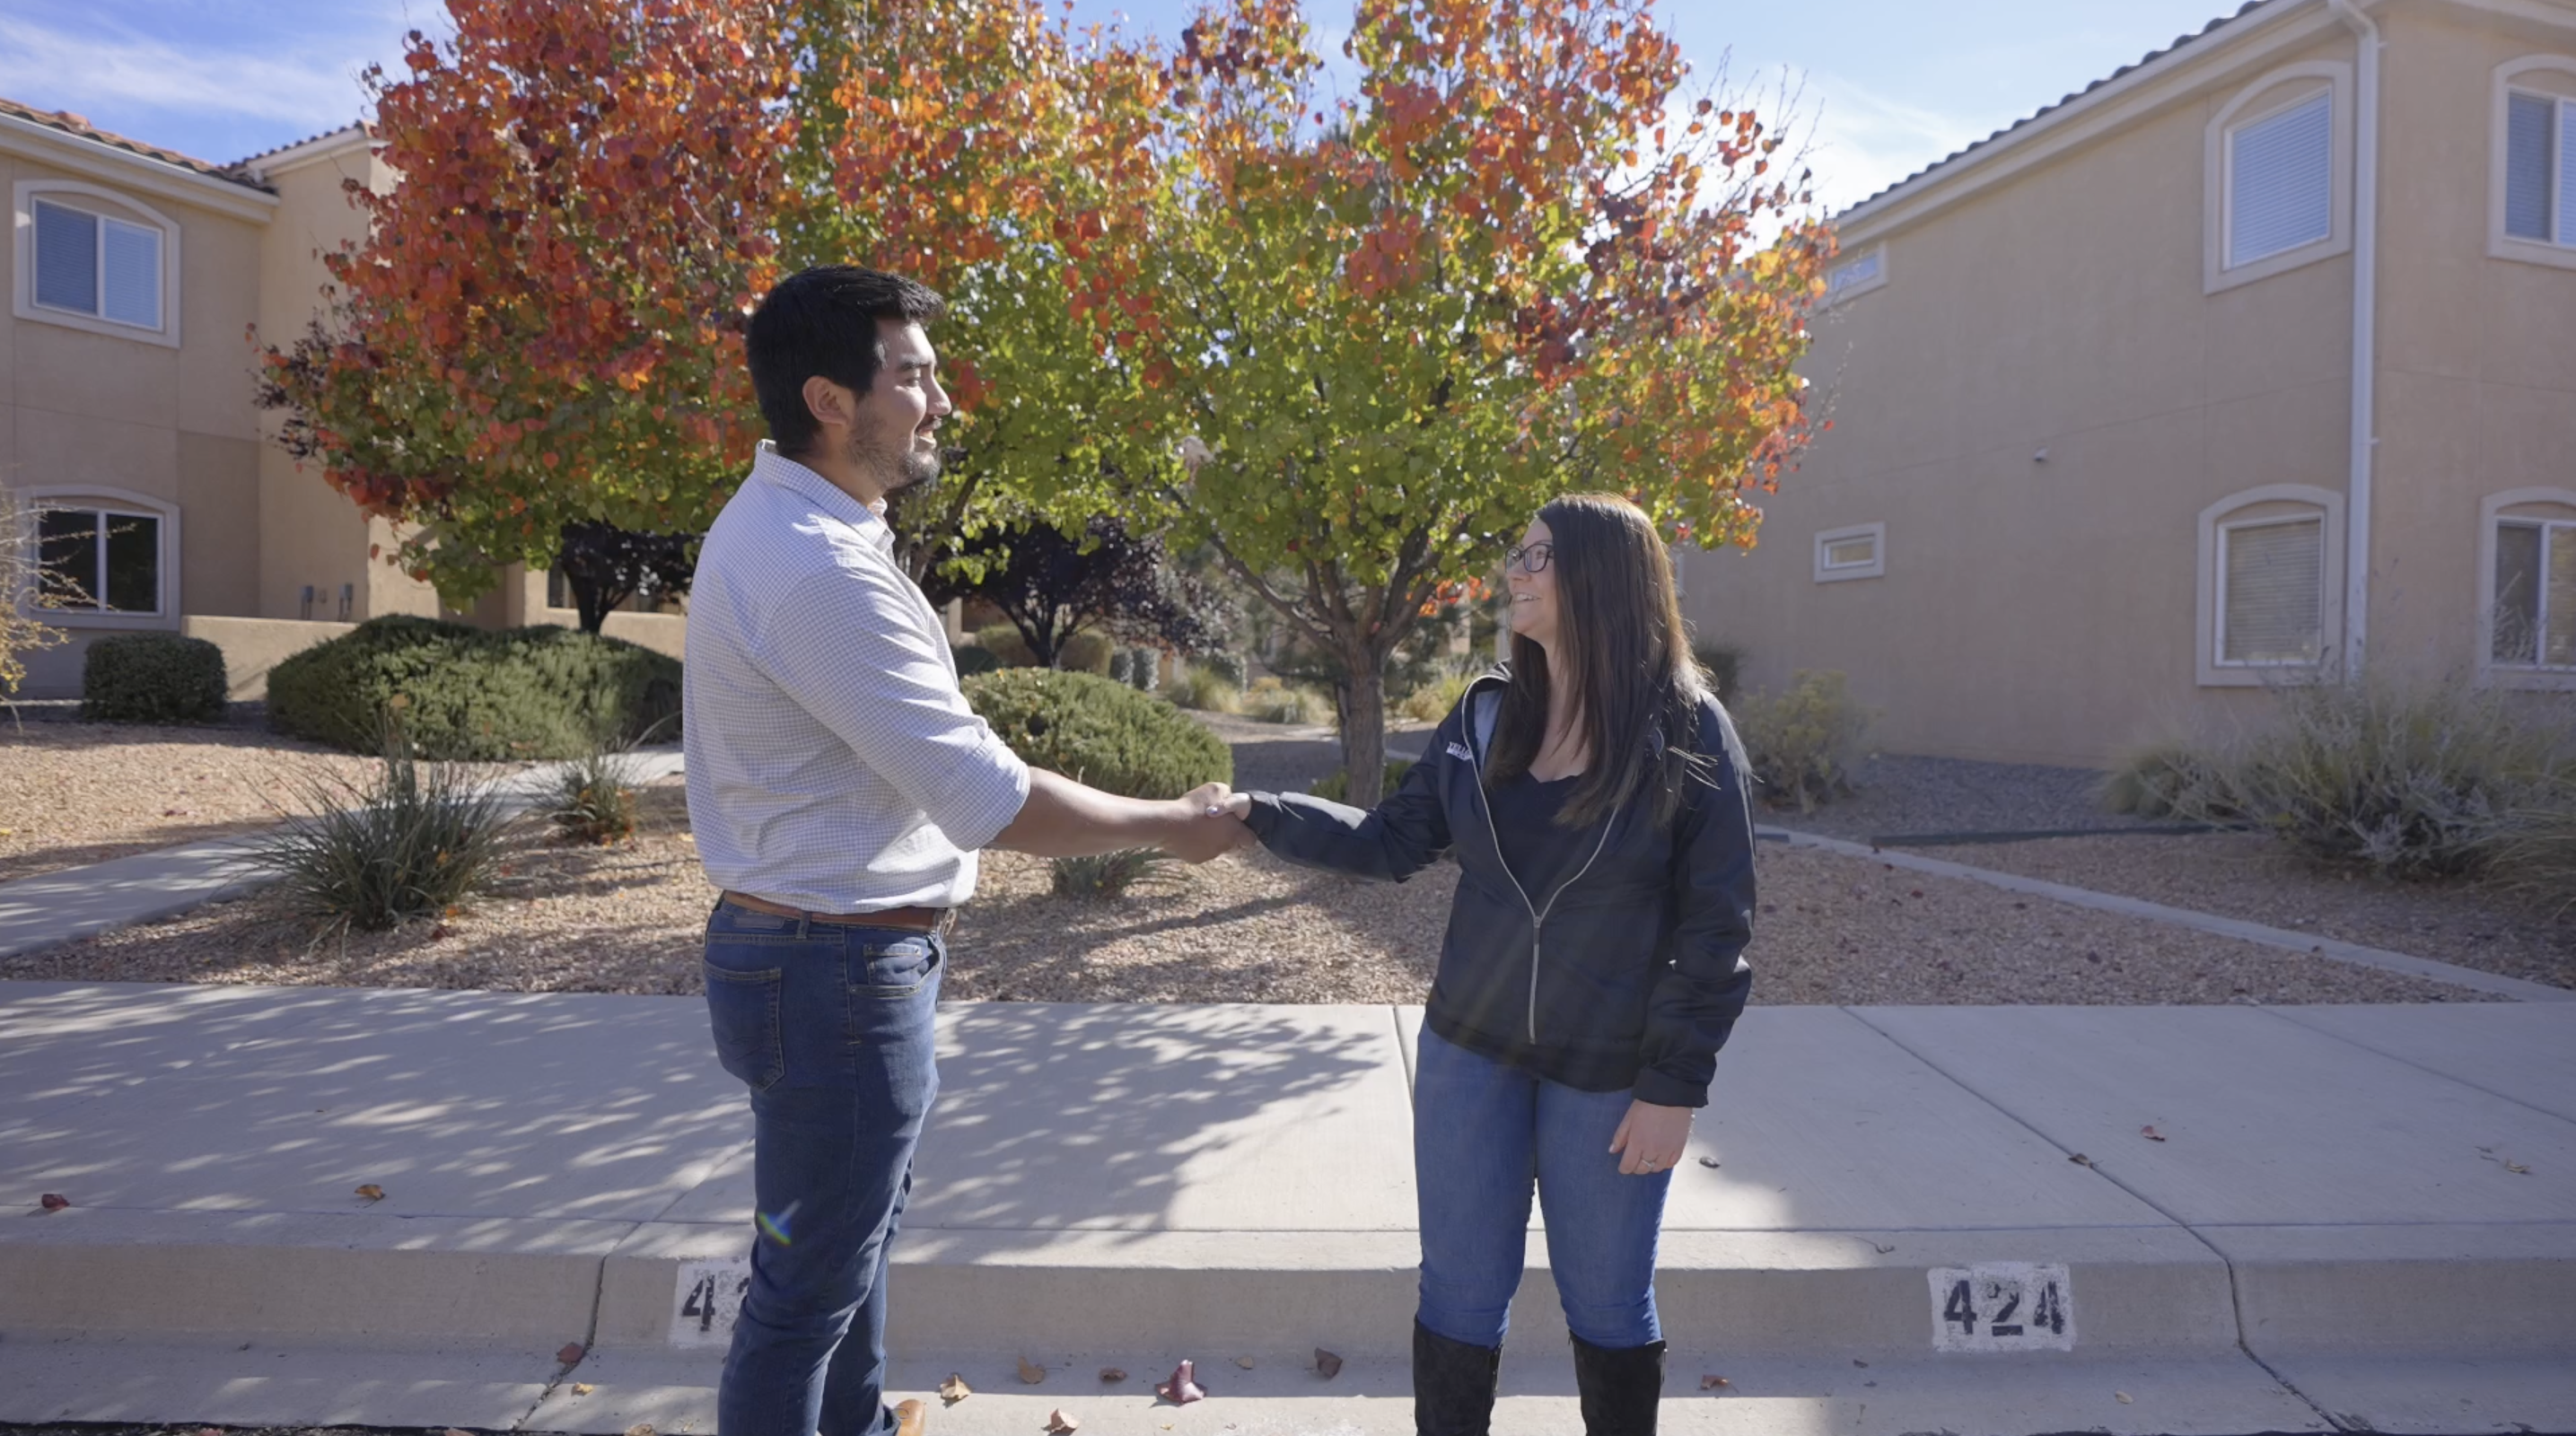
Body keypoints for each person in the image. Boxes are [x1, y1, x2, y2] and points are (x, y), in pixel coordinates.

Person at [685, 265, 1245, 1436]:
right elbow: (985, 798)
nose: (940, 403)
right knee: (807, 1291)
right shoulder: (817, 570)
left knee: (845, 1253)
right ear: (831, 401)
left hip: (814, 957)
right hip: (831, 969)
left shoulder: (801, 530)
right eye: (915, 377)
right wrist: (1173, 830)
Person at [1223, 494, 1757, 1436]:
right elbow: (1392, 842)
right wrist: (1255, 812)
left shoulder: (1685, 729)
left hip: (1609, 1070)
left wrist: (1672, 1086)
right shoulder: (1483, 717)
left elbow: (1715, 928)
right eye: (1517, 553)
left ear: (1600, 575)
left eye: (1536, 555)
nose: (1514, 570)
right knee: (1459, 1298)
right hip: (1470, 1053)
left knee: (1605, 1304)